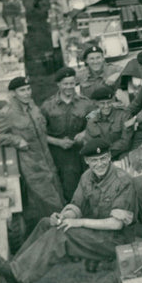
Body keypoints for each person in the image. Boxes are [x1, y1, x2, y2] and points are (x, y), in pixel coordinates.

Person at [0, 139, 137, 283]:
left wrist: (78, 222)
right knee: (46, 223)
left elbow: (116, 224)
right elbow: (77, 205)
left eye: (103, 159)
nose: (100, 164)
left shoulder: (122, 181)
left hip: (116, 240)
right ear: (87, 161)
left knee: (62, 235)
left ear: (109, 157)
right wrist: (64, 217)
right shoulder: (87, 177)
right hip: (96, 232)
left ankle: (19, 276)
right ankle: (16, 267)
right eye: (94, 160)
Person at [0, 77, 64, 228]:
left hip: (47, 161)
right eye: (22, 90)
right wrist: (15, 140)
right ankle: (59, 232)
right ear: (13, 93)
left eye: (28, 89)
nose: (27, 93)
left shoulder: (33, 107)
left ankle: (55, 231)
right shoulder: (7, 113)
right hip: (32, 166)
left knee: (58, 195)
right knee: (52, 203)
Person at [41, 66, 97, 202]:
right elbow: (40, 134)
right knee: (68, 186)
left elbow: (94, 121)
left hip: (81, 149)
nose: (69, 87)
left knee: (89, 181)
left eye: (72, 83)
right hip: (59, 153)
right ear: (59, 84)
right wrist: (58, 142)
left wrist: (84, 132)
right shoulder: (47, 106)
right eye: (65, 84)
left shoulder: (86, 104)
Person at [83, 85, 134, 159]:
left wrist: (106, 151)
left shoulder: (124, 115)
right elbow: (88, 141)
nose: (106, 106)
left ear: (113, 101)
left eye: (109, 102)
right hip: (99, 156)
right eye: (102, 103)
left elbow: (126, 142)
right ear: (97, 103)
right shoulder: (91, 117)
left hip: (120, 154)